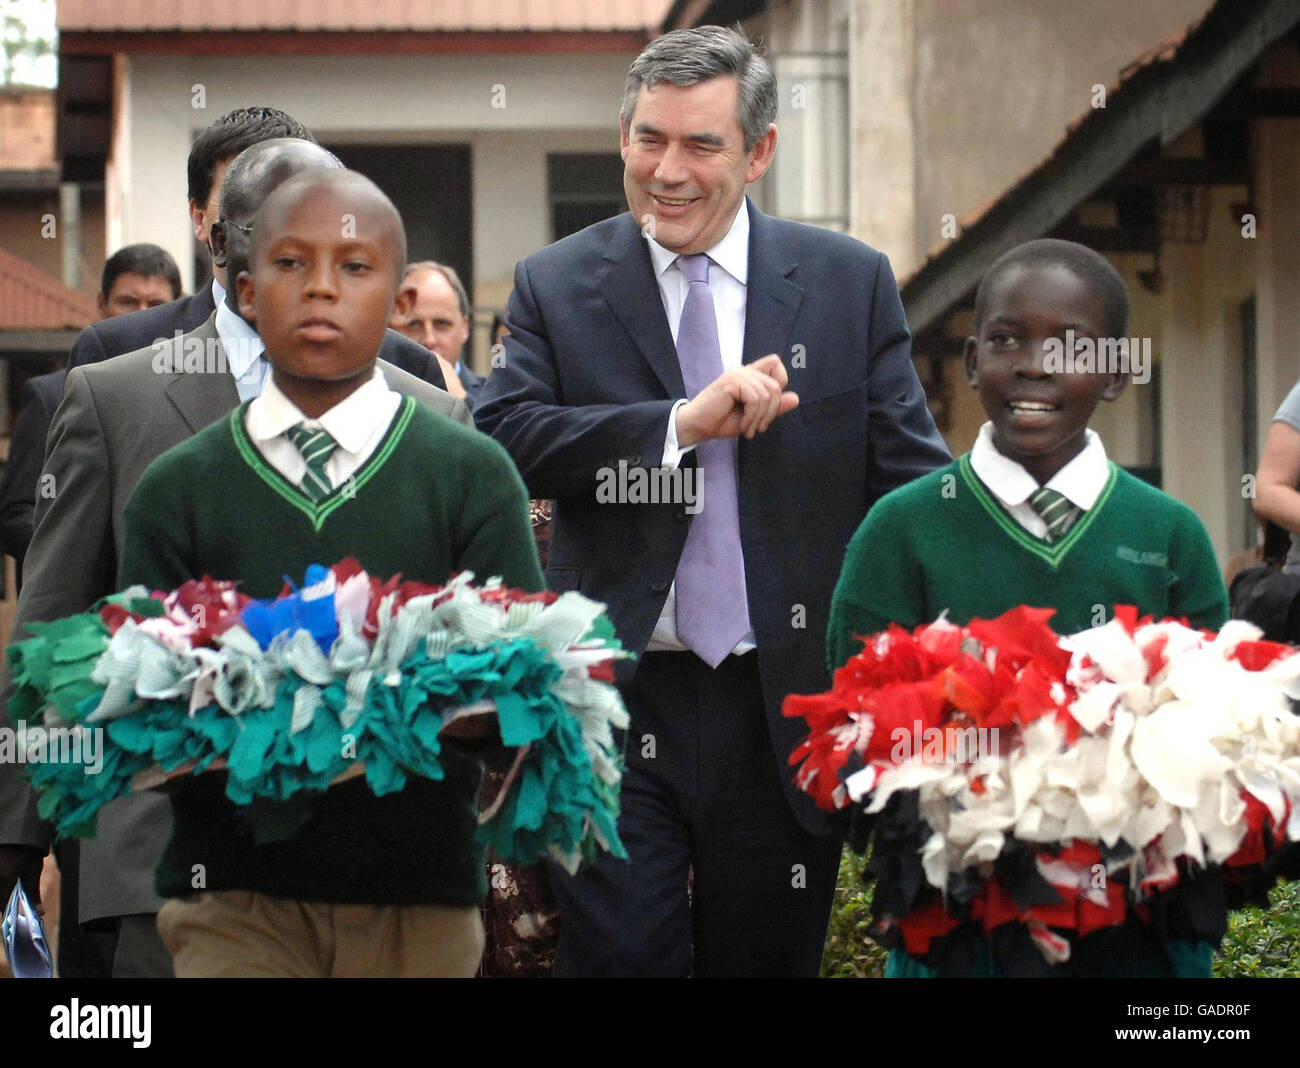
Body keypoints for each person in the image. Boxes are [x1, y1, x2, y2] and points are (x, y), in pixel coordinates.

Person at [474, 25, 950, 977]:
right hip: (615, 703)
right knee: (620, 962)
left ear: (760, 150)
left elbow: (912, 489)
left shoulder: (846, 285)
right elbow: (503, 436)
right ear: (621, 137)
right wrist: (678, 425)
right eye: (649, 139)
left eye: (701, 145)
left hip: (785, 707)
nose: (669, 171)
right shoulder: (557, 283)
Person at [0, 144, 472, 979]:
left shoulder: (428, 410)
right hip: (166, 863)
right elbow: (53, 631)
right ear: (224, 250)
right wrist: (14, 839)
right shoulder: (116, 400)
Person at [117, 168, 543, 977]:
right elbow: (143, 718)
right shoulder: (176, 490)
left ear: (396, 300)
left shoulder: (472, 474)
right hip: (234, 902)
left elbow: (519, 691)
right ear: (244, 292)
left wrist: (375, 697)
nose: (321, 289)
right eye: (290, 264)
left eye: (354, 266)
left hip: (418, 905)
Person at [827, 238, 1229, 977]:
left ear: (1113, 374)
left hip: (1138, 926)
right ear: (975, 359)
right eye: (1009, 338)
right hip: (955, 925)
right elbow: (850, 732)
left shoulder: (1170, 533)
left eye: (1071, 346)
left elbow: (1211, 736)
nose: (1037, 364)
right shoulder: (901, 527)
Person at [0, 244, 183, 589]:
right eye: (128, 302)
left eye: (156, 306)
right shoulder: (51, 397)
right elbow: (15, 514)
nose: (140, 316)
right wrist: (79, 563)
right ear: (101, 305)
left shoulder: (189, 397)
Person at [390, 261, 484, 405]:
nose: (429, 340)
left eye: (441, 324)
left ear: (464, 329)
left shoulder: (496, 396)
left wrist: (462, 401)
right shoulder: (371, 395)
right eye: (414, 325)